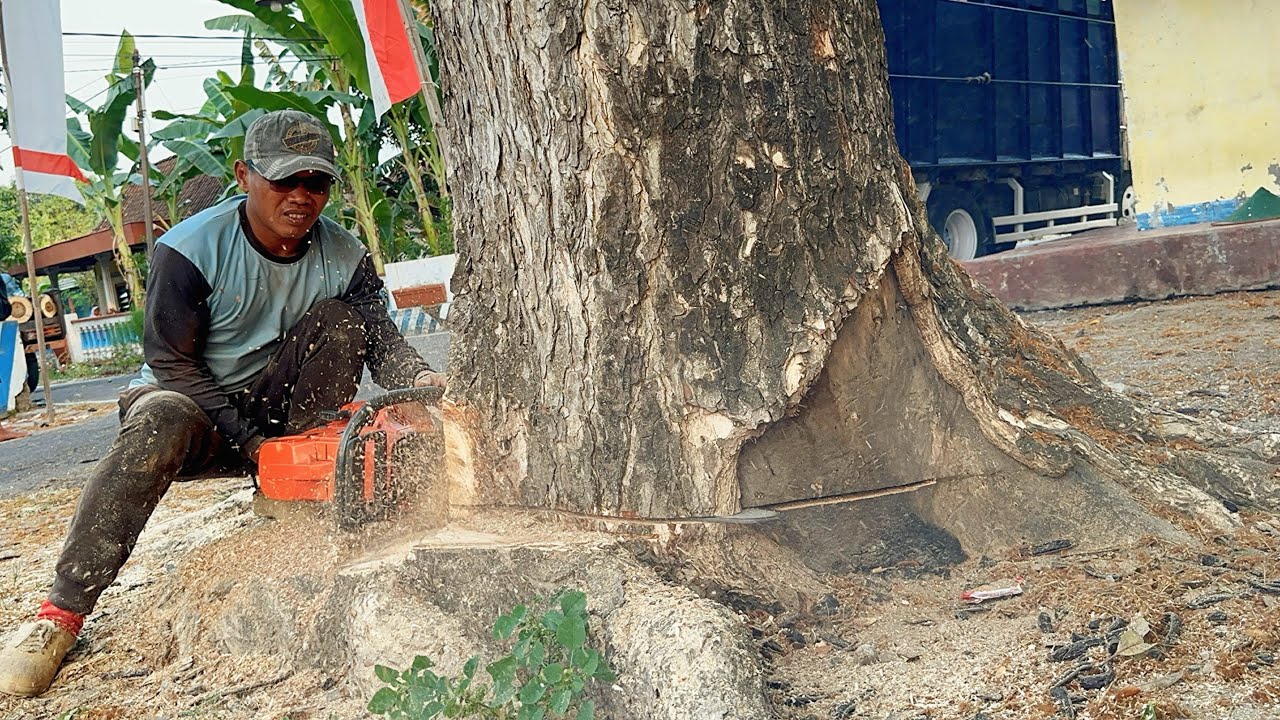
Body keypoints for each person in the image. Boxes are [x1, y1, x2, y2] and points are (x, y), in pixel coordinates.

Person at [0, 109, 446, 697]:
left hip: (277, 409)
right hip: (193, 408)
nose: (301, 196)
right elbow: (171, 364)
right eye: (284, 180)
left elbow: (381, 339)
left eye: (316, 182)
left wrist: (422, 382)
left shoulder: (345, 254)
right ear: (244, 175)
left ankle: (289, 486)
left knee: (343, 322)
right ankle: (59, 614)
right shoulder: (190, 249)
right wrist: (252, 444)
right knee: (159, 418)